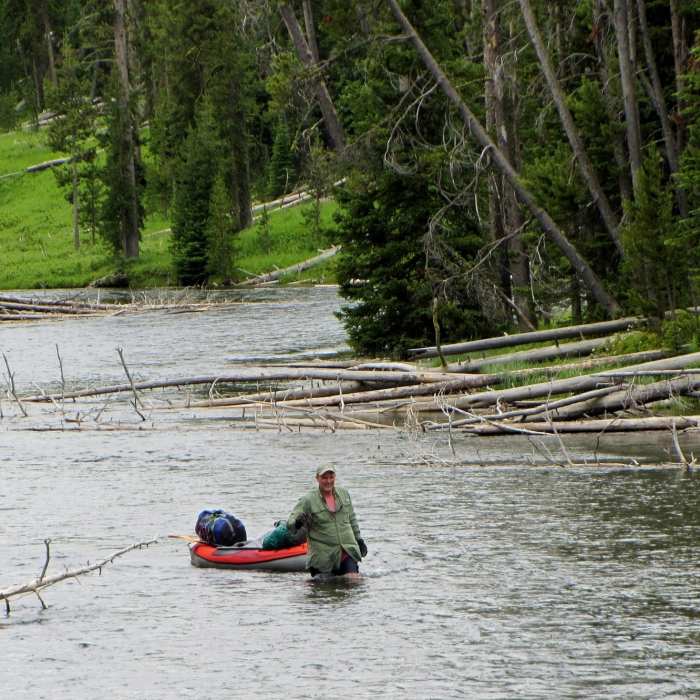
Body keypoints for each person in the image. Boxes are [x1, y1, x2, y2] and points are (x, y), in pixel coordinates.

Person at [288, 464, 367, 577]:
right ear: (317, 478)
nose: (328, 481)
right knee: (323, 591)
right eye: (324, 478)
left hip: (346, 550)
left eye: (331, 477)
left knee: (353, 580)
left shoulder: (344, 494)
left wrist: (359, 539)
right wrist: (297, 522)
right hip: (322, 557)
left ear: (335, 477)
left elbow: (352, 519)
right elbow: (290, 524)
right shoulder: (308, 499)